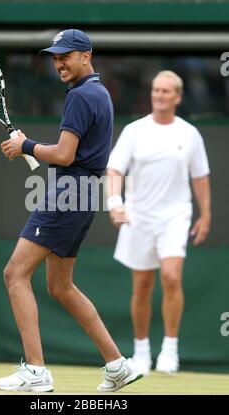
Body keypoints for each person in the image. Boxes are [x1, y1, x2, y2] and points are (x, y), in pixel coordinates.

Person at [0, 29, 143, 392]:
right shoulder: (100, 93)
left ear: (86, 56)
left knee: (15, 274)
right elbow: (68, 155)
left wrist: (26, 145)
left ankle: (36, 371)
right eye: (55, 56)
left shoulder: (79, 95)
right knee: (61, 286)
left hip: (67, 194)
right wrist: (31, 147)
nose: (58, 62)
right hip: (85, 195)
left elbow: (64, 155)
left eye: (66, 55)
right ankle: (117, 364)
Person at [106, 70, 211, 375]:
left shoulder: (189, 134)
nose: (159, 95)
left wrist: (206, 214)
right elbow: (114, 171)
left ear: (178, 97)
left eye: (166, 91)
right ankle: (141, 352)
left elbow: (200, 176)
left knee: (171, 276)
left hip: (176, 216)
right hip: (139, 216)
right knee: (142, 284)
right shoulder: (135, 131)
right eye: (156, 90)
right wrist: (115, 204)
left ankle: (170, 349)